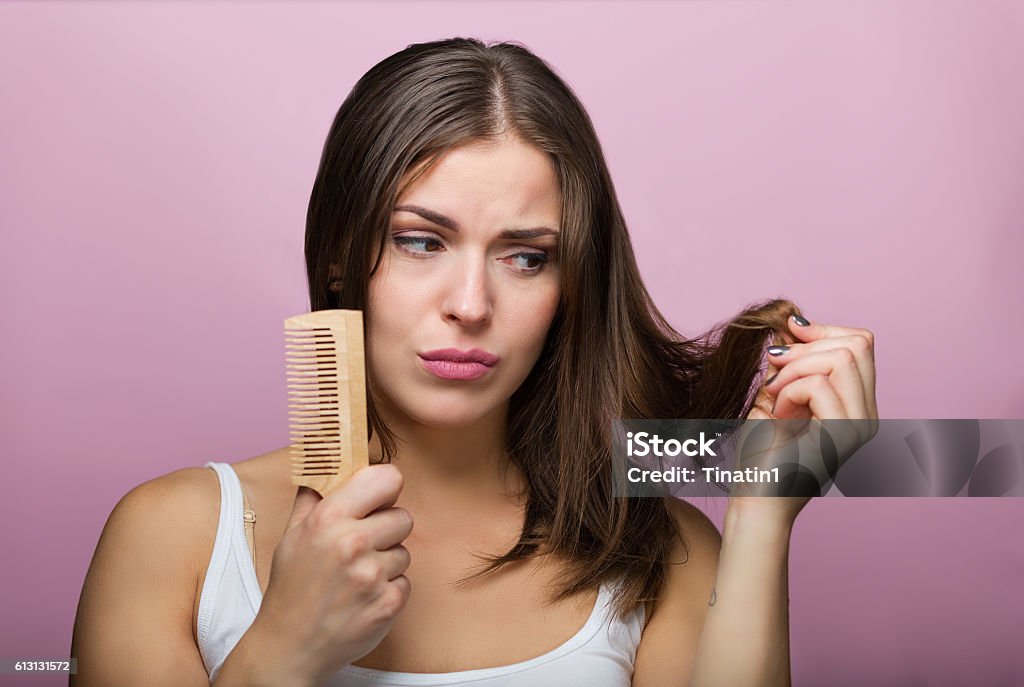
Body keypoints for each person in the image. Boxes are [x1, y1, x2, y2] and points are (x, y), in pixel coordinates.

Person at [70, 38, 878, 686]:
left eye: (525, 257)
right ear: (345, 259)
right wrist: (280, 647)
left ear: (570, 286)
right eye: (420, 240)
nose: (470, 303)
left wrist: (764, 518)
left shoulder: (658, 553)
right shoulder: (175, 537)